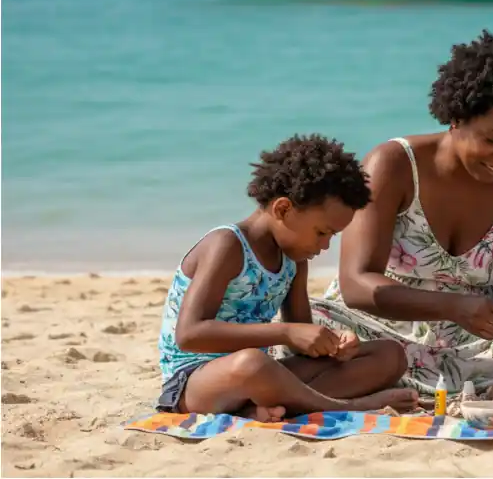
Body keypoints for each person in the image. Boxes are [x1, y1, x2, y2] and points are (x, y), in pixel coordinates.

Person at [308, 30, 493, 400]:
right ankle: (475, 386)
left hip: (476, 335)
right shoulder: (394, 164)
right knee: (311, 320)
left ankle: (440, 384)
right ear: (456, 118)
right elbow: (356, 284)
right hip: (382, 325)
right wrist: (454, 306)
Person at [157, 134, 416, 421]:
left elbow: (299, 341)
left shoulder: (294, 260)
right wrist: (285, 331)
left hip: (262, 375)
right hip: (194, 382)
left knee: (389, 356)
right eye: (322, 232)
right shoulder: (227, 245)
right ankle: (348, 407)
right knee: (252, 363)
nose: (325, 246)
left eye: (333, 236)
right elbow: (190, 335)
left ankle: (265, 408)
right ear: (283, 209)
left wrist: (333, 346)